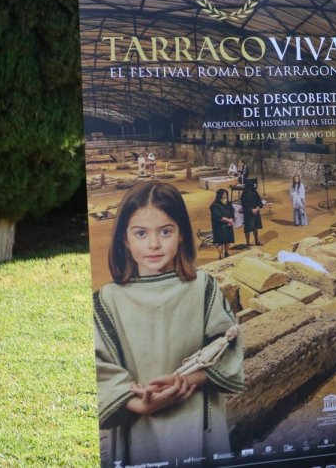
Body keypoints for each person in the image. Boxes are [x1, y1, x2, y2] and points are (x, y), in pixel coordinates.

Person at [93, 181, 244, 467]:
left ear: (181, 236)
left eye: (165, 231)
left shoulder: (203, 288)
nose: (153, 244)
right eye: (141, 233)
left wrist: (186, 381)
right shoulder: (107, 302)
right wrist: (137, 401)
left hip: (198, 425)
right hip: (137, 429)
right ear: (125, 239)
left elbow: (229, 346)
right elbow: (101, 369)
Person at [209, 189, 235, 260]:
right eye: (223, 195)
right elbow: (218, 216)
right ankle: (220, 256)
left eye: (225, 195)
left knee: (228, 240)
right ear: (219, 196)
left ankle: (226, 252)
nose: (224, 197)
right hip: (219, 227)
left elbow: (232, 212)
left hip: (228, 226)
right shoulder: (215, 205)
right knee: (220, 242)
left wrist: (232, 220)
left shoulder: (228, 203)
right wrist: (229, 220)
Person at [240, 178, 263, 246]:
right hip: (248, 214)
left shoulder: (255, 192)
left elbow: (259, 201)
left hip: (255, 212)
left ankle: (256, 241)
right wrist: (251, 210)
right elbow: (244, 204)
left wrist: (257, 208)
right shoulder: (244, 194)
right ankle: (248, 243)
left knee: (255, 227)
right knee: (247, 229)